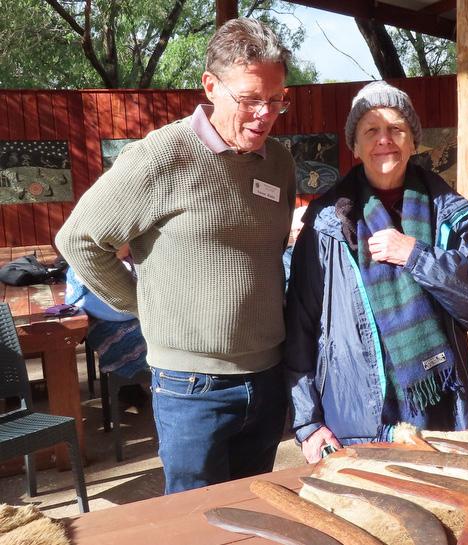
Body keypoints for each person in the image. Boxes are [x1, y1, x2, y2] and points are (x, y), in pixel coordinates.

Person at [55, 18, 296, 494]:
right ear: (211, 85)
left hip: (268, 376)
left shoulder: (280, 162)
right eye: (250, 99)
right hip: (191, 387)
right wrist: (141, 305)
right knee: (193, 520)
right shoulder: (161, 156)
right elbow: (79, 240)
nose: (264, 114)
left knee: (254, 512)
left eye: (276, 100)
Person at [285, 81, 468, 463]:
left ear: (413, 141)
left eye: (396, 129)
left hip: (440, 409)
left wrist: (416, 256)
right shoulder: (327, 224)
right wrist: (307, 424)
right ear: (355, 146)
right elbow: (300, 329)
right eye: (371, 130)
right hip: (356, 419)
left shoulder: (448, 212)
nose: (384, 140)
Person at [66, 245, 149, 407]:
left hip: (122, 315)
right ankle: (130, 383)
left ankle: (131, 385)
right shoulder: (94, 262)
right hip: (110, 315)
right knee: (136, 337)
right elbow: (120, 308)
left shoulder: (129, 260)